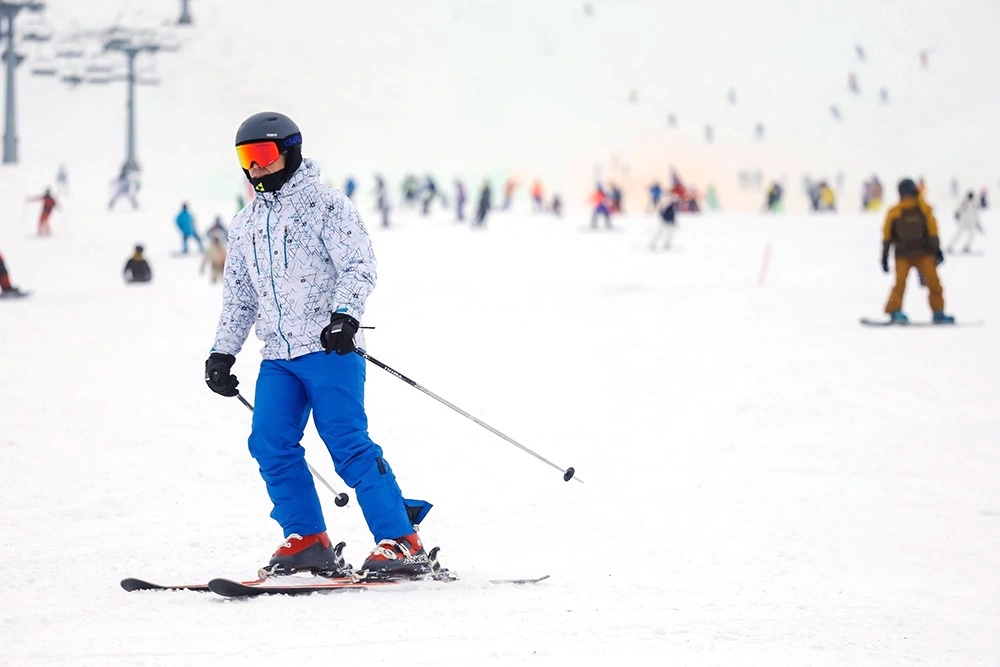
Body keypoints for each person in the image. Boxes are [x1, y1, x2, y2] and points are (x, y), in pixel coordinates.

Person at [206, 111, 431, 578]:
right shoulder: (245, 224)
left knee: (346, 443)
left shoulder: (326, 205)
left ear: (289, 152)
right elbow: (240, 298)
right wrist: (223, 352)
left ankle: (401, 540)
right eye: (246, 158)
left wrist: (345, 316)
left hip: (330, 350)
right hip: (279, 359)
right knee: (269, 441)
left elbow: (359, 264)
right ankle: (307, 537)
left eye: (264, 156)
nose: (255, 169)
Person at [880, 178, 954, 324]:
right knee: (900, 283)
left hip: (923, 253)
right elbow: (887, 234)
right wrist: (884, 256)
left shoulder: (923, 209)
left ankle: (938, 311)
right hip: (904, 255)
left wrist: (937, 250)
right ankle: (895, 310)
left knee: (933, 282)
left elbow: (932, 230)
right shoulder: (895, 212)